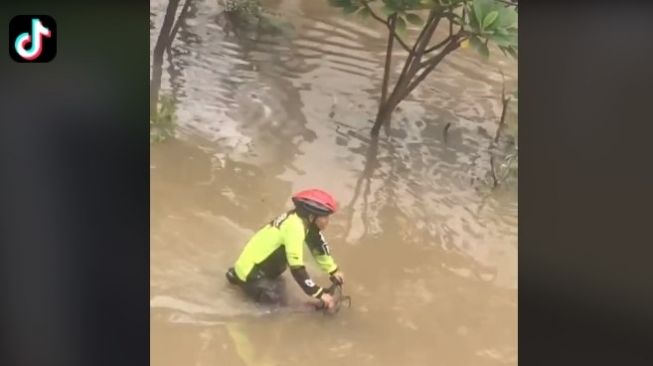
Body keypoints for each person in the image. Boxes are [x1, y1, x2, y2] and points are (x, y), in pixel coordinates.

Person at [225, 189, 345, 311]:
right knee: (282, 311)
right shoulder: (294, 228)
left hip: (263, 270)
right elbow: (296, 268)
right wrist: (318, 293)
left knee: (283, 288)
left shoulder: (304, 222)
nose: (328, 222)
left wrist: (333, 270)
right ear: (312, 216)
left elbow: (318, 248)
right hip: (251, 274)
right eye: (325, 217)